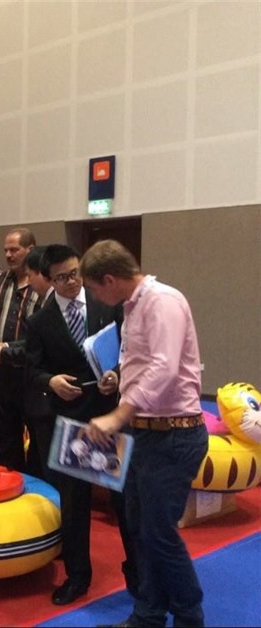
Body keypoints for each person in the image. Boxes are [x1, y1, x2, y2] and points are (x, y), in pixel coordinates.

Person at [82, 240, 208, 628]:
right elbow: (143, 363)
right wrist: (118, 380)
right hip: (145, 434)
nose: (96, 298)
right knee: (140, 530)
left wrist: (119, 413)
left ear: (109, 279)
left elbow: (165, 368)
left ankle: (189, 617)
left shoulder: (162, 301)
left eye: (95, 289)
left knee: (158, 533)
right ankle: (148, 616)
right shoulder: (133, 307)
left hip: (173, 435)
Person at [24, 244, 136, 606]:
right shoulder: (40, 322)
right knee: (73, 502)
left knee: (124, 500)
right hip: (69, 419)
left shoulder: (106, 304)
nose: (71, 282)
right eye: (62, 278)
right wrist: (51, 381)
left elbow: (129, 351)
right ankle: (77, 575)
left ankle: (138, 572)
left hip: (107, 414)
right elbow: (31, 369)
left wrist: (115, 374)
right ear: (48, 280)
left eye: (74, 274)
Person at [0, 227, 42, 472]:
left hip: (31, 373)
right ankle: (9, 481)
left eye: (14, 250)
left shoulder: (42, 284)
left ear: (30, 250)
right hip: (1, 372)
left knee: (37, 436)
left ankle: (35, 485)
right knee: (4, 434)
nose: (8, 255)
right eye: (6, 250)